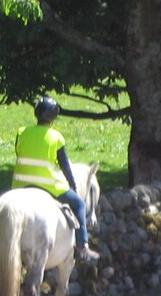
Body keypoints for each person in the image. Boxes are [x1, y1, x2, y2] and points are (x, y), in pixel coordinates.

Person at [12, 96, 100, 262]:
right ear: (53, 117)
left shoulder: (22, 132)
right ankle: (82, 247)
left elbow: (20, 153)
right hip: (47, 185)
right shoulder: (56, 138)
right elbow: (65, 166)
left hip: (20, 184)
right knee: (79, 204)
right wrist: (73, 186)